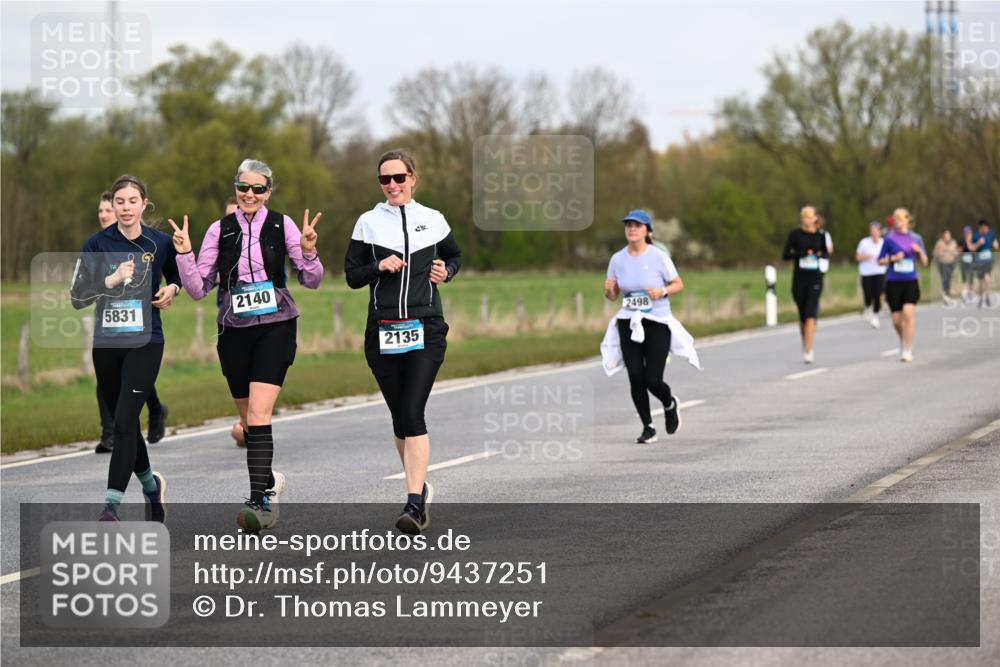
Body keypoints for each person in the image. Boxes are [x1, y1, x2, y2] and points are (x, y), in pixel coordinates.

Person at [171, 158, 324, 533]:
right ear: (236, 188)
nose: (250, 194)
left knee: (258, 415)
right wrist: (184, 253)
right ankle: (268, 481)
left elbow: (312, 280)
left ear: (268, 191)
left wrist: (307, 250)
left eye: (258, 188)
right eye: (244, 187)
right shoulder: (218, 229)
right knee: (248, 421)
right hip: (233, 330)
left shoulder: (281, 223)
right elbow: (197, 289)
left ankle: (260, 502)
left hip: (276, 326)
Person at [344, 149, 461, 536]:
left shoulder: (433, 219)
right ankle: (420, 486)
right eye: (385, 180)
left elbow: (455, 257)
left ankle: (414, 504)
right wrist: (378, 265)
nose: (392, 185)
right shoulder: (368, 223)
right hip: (382, 331)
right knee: (399, 417)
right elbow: (351, 275)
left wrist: (448, 270)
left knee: (413, 411)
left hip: (426, 327)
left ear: (413, 178)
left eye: (398, 178)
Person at [70, 175, 179, 522]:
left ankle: (110, 506)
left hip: (146, 341)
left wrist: (171, 290)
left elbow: (179, 278)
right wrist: (111, 280)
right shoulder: (96, 244)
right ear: (112, 206)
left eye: (133, 201)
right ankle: (151, 488)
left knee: (124, 422)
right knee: (125, 423)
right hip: (107, 343)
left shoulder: (160, 242)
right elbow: (77, 297)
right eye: (120, 202)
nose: (126, 207)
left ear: (144, 203)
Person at [600, 210, 701, 444]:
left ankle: (669, 403)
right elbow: (613, 295)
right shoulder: (617, 259)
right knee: (635, 376)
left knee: (652, 379)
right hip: (628, 321)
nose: (631, 229)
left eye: (637, 225)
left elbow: (678, 284)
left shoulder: (658, 257)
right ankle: (648, 427)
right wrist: (609, 290)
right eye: (628, 225)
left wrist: (662, 291)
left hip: (657, 322)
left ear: (647, 230)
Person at [93, 191, 170, 452]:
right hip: (108, 327)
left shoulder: (151, 242)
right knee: (108, 381)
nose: (105, 214)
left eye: (108, 209)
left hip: (143, 326)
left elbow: (170, 272)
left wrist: (171, 288)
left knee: (134, 376)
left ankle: (152, 413)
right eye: (102, 211)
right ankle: (111, 434)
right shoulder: (98, 244)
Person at [878, 207, 928, 362]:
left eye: (901, 217)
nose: (898, 221)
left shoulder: (916, 238)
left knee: (908, 313)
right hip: (893, 282)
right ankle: (905, 340)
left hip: (911, 281)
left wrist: (919, 252)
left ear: (908, 220)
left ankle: (907, 348)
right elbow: (880, 260)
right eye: (895, 218)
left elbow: (925, 262)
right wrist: (893, 259)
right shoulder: (888, 238)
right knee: (896, 320)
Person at [782, 205, 829, 363]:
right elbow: (786, 255)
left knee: (810, 315)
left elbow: (826, 254)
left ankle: (808, 350)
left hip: (815, 279)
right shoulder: (795, 235)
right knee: (802, 317)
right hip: (799, 279)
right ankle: (806, 343)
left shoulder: (821, 235)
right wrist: (802, 254)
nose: (806, 218)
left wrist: (819, 254)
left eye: (809, 216)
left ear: (815, 218)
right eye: (803, 215)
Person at [855, 221, 887, 328]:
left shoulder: (884, 242)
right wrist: (865, 257)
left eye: (876, 231)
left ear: (879, 232)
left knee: (877, 294)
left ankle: (875, 316)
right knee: (868, 294)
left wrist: (883, 260)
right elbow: (857, 257)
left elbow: (889, 258)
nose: (874, 234)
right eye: (872, 231)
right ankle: (868, 307)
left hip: (879, 271)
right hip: (866, 272)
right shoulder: (864, 242)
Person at [970, 219, 997, 308]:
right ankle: (981, 296)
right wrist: (978, 243)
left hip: (988, 260)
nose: (986, 230)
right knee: (981, 280)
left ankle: (987, 296)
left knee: (986, 278)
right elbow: (972, 249)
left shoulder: (991, 234)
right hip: (979, 260)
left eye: (987, 228)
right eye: (984, 228)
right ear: (980, 228)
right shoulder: (976, 236)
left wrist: (995, 245)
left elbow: (996, 243)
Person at [932, 229, 960, 303]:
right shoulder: (939, 243)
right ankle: (945, 295)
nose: (947, 236)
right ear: (943, 236)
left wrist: (952, 252)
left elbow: (956, 252)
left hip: (951, 262)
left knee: (949, 278)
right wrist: (942, 252)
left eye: (948, 235)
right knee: (944, 279)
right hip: (942, 262)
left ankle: (947, 293)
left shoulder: (954, 243)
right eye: (945, 235)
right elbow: (935, 252)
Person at [959, 225, 977, 303]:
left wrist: (969, 243)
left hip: (972, 261)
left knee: (971, 278)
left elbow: (973, 249)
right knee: (964, 278)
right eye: (966, 233)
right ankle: (964, 294)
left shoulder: (973, 240)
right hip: (963, 261)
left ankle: (971, 293)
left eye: (969, 232)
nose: (968, 234)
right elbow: (959, 250)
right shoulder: (962, 241)